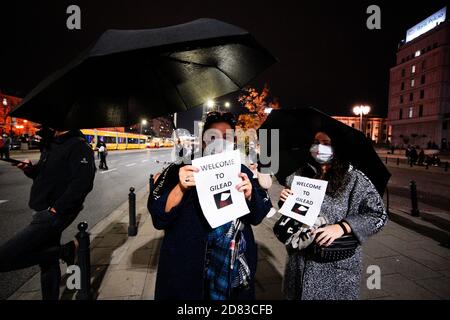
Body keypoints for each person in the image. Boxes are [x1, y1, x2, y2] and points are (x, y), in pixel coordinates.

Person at [147, 112, 272, 300]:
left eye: (226, 138)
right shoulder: (179, 169)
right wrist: (180, 188)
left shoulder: (242, 171)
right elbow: (158, 217)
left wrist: (250, 194)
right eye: (213, 136)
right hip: (186, 277)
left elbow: (259, 213)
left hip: (230, 273)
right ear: (203, 140)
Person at [278, 131, 388, 300]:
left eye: (326, 143)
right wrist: (285, 200)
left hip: (334, 266)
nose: (319, 147)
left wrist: (343, 227)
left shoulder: (354, 179)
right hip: (299, 262)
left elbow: (378, 215)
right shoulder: (301, 173)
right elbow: (293, 210)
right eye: (316, 141)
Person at [0, 127, 96, 300]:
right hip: (41, 208)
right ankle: (60, 256)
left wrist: (57, 209)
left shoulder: (78, 146)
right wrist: (29, 169)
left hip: (54, 214)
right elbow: (44, 175)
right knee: (48, 264)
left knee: (4, 258)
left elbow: (83, 183)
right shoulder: (51, 143)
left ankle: (65, 251)